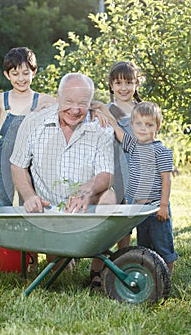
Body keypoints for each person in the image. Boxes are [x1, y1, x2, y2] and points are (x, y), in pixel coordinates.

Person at [10, 72, 116, 290]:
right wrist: (29, 196)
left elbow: (106, 174)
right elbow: (18, 165)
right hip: (50, 212)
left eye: (82, 103)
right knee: (60, 275)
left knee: (110, 195)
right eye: (69, 102)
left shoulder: (100, 126)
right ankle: (65, 257)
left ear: (91, 103)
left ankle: (97, 269)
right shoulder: (34, 123)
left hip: (86, 206)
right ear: (57, 97)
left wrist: (87, 191)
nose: (75, 110)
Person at [0, 47, 55, 271]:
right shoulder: (1, 100)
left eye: (25, 72)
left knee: (29, 207)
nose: (21, 78)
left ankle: (29, 260)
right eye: (15, 73)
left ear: (34, 72)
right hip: (3, 161)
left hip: (29, 165)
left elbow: (68, 107)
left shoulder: (43, 100)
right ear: (7, 75)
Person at [109, 101, 178, 275]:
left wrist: (163, 206)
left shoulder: (161, 151)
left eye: (149, 125)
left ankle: (166, 279)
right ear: (131, 126)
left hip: (156, 209)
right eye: (138, 124)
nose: (142, 128)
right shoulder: (133, 147)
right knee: (145, 248)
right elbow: (119, 133)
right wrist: (107, 116)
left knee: (163, 248)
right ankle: (151, 278)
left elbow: (166, 180)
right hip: (140, 210)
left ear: (157, 127)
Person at [93, 61, 143, 249]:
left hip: (136, 174)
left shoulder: (142, 111)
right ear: (111, 86)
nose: (124, 88)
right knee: (107, 223)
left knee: (127, 223)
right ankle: (98, 269)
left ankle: (123, 259)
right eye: (118, 83)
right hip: (112, 174)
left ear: (136, 84)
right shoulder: (105, 110)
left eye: (129, 83)